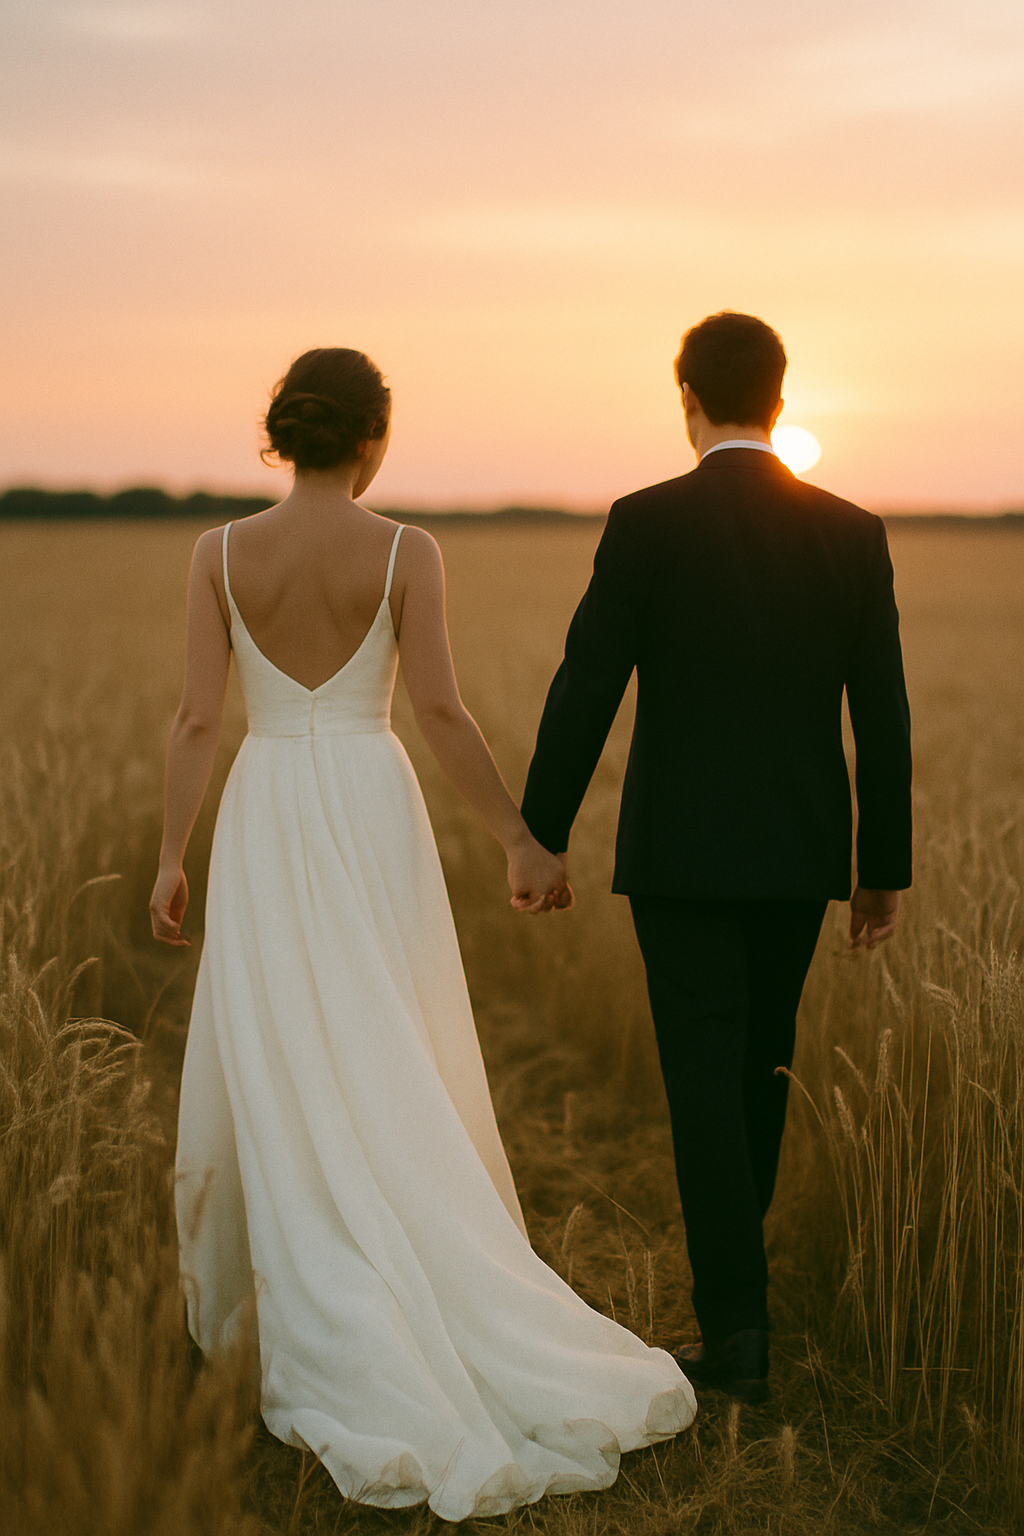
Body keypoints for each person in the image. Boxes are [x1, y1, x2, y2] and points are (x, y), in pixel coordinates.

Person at [151, 348, 695, 1523]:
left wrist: (168, 855)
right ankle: (410, 1252)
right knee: (380, 1026)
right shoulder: (407, 550)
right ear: (372, 438)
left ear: (282, 434)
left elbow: (200, 716)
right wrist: (517, 839)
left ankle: (305, 1277)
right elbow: (440, 709)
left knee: (282, 1037)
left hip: (263, 808)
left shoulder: (217, 554)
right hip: (367, 794)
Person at [521, 312, 912, 1404]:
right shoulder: (851, 531)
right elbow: (882, 714)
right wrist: (881, 865)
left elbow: (586, 678)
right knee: (760, 1066)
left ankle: (737, 1330)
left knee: (702, 1072)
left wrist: (538, 832)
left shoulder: (645, 522)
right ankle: (741, 1306)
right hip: (798, 852)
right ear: (779, 401)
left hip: (680, 854)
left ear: (685, 397)